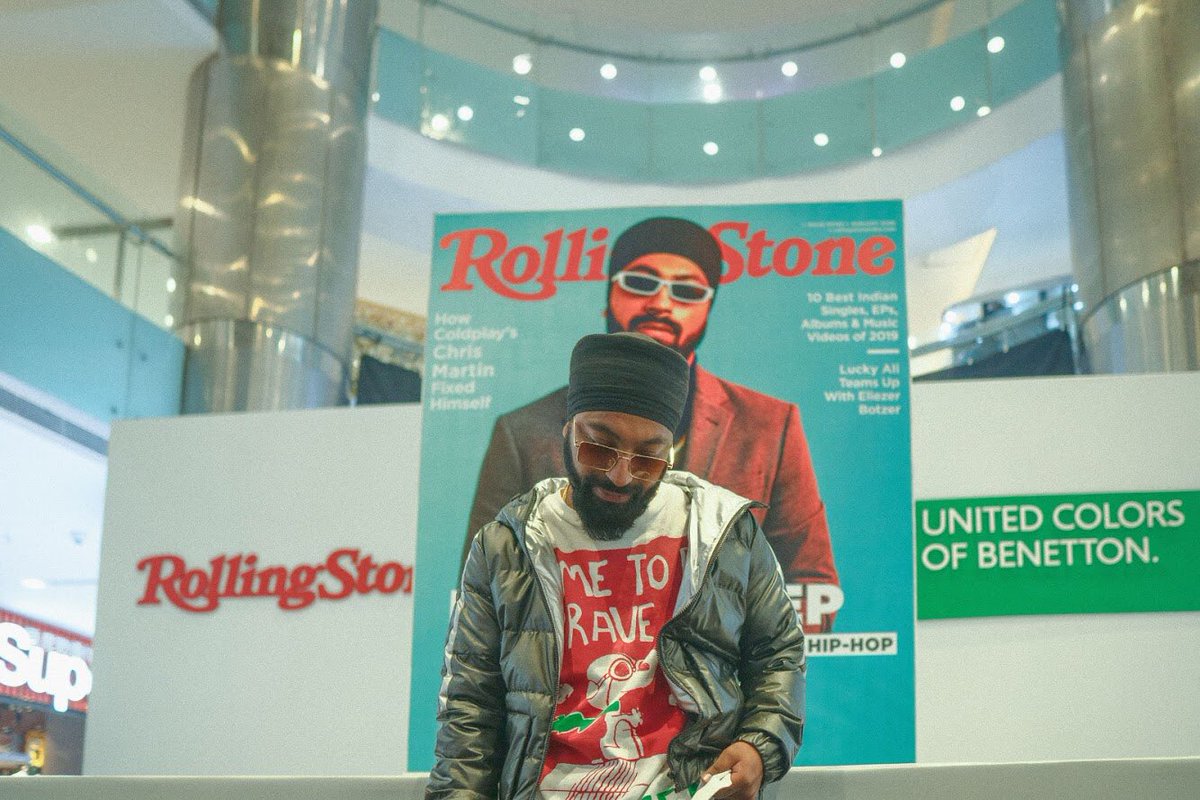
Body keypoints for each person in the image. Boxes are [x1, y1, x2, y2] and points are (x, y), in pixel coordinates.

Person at [428, 332, 806, 800]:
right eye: (599, 448)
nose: (622, 475)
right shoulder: (507, 545)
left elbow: (779, 656)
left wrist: (759, 744)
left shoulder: (723, 531)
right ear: (566, 428)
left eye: (649, 457)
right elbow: (470, 709)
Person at [465, 216, 839, 631]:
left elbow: (813, 589)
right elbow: (482, 590)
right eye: (641, 282)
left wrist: (708, 656)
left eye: (687, 291)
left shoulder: (770, 425)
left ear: (709, 308)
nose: (661, 303)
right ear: (609, 295)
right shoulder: (522, 431)